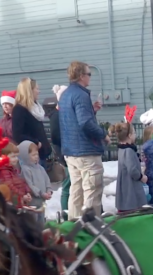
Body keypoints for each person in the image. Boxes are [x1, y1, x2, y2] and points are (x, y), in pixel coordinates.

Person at [59, 61, 106, 219]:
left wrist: (91, 110)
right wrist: (102, 134)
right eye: (89, 74)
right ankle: (91, 229)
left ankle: (74, 228)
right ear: (81, 76)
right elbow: (85, 123)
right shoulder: (81, 94)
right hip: (86, 152)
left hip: (71, 151)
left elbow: (74, 120)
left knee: (76, 191)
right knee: (92, 191)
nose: (90, 77)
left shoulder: (65, 95)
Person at [11, 77, 52, 163]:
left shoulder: (35, 108)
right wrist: (36, 142)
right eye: (37, 89)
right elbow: (17, 135)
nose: (39, 91)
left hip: (43, 154)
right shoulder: (19, 109)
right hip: (32, 156)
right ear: (29, 91)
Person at [111, 122, 147, 212]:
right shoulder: (129, 151)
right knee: (133, 208)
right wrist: (142, 177)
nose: (135, 135)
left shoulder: (121, 149)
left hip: (124, 184)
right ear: (130, 135)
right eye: (134, 133)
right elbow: (132, 170)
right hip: (131, 187)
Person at [50, 85, 71, 214]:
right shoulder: (56, 115)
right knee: (67, 184)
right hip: (65, 154)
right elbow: (56, 137)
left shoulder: (64, 113)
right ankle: (65, 212)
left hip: (68, 152)